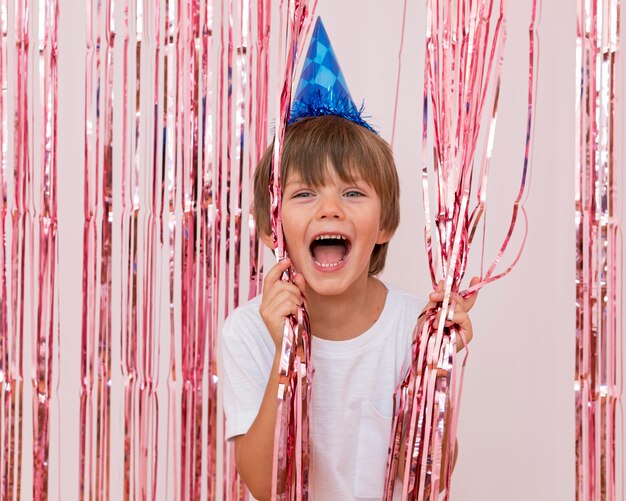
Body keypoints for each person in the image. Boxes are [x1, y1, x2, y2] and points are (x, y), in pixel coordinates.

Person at [219, 113, 479, 500]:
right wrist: (285, 354)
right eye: (304, 193)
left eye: (352, 193)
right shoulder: (247, 331)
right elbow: (263, 484)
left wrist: (431, 366)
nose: (329, 209)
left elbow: (430, 479)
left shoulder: (413, 326)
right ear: (272, 227)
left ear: (384, 224)